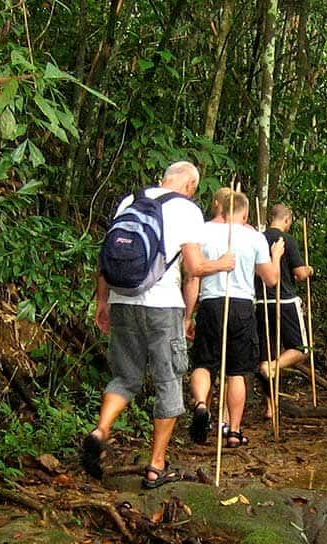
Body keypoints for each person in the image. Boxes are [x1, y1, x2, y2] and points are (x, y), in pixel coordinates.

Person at [81, 161, 236, 487]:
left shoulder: (130, 201)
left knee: (125, 377)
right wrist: (221, 264)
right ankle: (156, 466)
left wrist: (102, 302)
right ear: (191, 185)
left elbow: (106, 257)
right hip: (162, 307)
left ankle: (100, 430)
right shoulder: (187, 210)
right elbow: (194, 268)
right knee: (167, 382)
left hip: (123, 301)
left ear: (164, 178)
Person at [185, 189, 282, 448]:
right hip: (241, 306)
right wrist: (277, 256)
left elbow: (193, 276)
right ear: (245, 213)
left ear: (220, 208)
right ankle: (234, 431)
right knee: (237, 372)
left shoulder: (202, 231)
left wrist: (187, 315)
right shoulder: (253, 237)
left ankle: (202, 404)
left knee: (204, 363)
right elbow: (271, 279)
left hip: (211, 303)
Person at [256, 203, 313, 418]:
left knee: (265, 354)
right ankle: (275, 365)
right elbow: (299, 274)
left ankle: (271, 407)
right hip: (286, 301)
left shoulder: (258, 238)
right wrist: (308, 270)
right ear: (287, 219)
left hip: (261, 302)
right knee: (301, 349)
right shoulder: (287, 240)